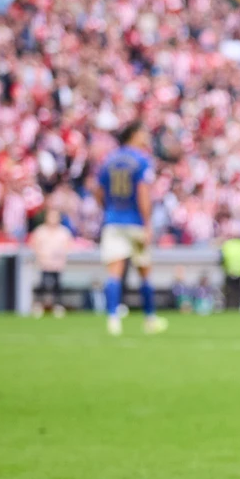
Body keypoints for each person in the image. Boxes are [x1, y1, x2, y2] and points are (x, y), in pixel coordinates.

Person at [95, 122, 165, 336]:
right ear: (134, 135)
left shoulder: (108, 160)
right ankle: (150, 318)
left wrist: (108, 210)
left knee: (114, 272)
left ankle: (113, 319)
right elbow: (143, 192)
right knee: (144, 271)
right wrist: (147, 223)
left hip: (113, 220)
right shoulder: (142, 160)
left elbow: (98, 191)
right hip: (134, 221)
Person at [28, 206, 73, 317]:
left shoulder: (63, 232)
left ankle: (58, 305)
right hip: (44, 263)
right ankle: (39, 305)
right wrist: (42, 257)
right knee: (42, 284)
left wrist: (60, 257)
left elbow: (68, 246)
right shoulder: (40, 231)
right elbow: (34, 245)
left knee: (57, 285)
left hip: (58, 264)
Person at [220, 229, 240, 312]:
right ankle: (238, 307)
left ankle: (229, 307)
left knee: (229, 291)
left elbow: (222, 258)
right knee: (239, 292)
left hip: (230, 271)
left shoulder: (227, 244)